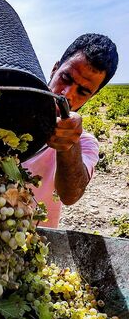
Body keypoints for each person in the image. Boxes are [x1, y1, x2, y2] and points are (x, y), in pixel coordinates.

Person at [22, 33, 118, 228]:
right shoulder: (10, 110)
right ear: (54, 69)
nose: (67, 95)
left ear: (93, 96)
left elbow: (70, 195)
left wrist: (68, 147)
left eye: (82, 92)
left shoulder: (85, 143)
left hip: (29, 245)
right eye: (65, 78)